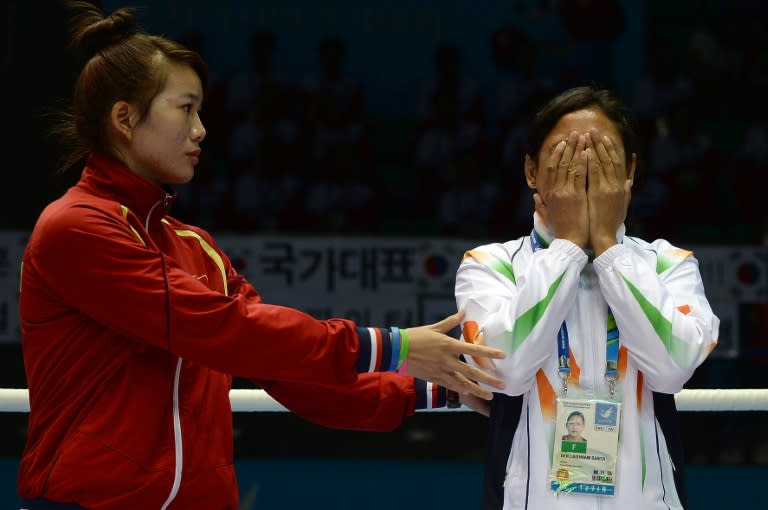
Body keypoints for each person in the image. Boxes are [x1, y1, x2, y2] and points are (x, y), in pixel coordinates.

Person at [16, 3, 507, 509]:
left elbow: (288, 371)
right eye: (186, 108)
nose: (201, 129)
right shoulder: (76, 228)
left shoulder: (195, 247)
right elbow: (220, 328)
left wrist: (438, 390)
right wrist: (392, 346)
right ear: (124, 117)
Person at [454, 85, 719, 509]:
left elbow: (673, 369)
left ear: (629, 169)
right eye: (564, 153)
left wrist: (610, 251)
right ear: (531, 171)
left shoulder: (669, 264)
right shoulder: (490, 266)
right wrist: (569, 246)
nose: (583, 167)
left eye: (601, 152)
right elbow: (507, 371)